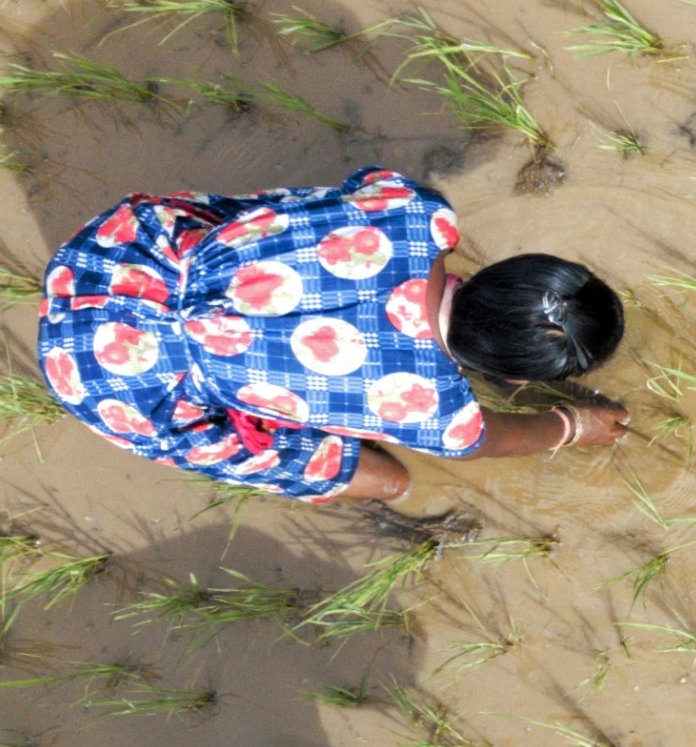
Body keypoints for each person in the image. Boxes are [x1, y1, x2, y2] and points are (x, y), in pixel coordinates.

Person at [34, 166, 633, 503]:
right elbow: (482, 440)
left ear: (506, 271)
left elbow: (362, 184)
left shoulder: (419, 212)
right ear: (515, 378)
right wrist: (574, 426)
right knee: (392, 481)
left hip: (119, 256)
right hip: (112, 380)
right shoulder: (442, 415)